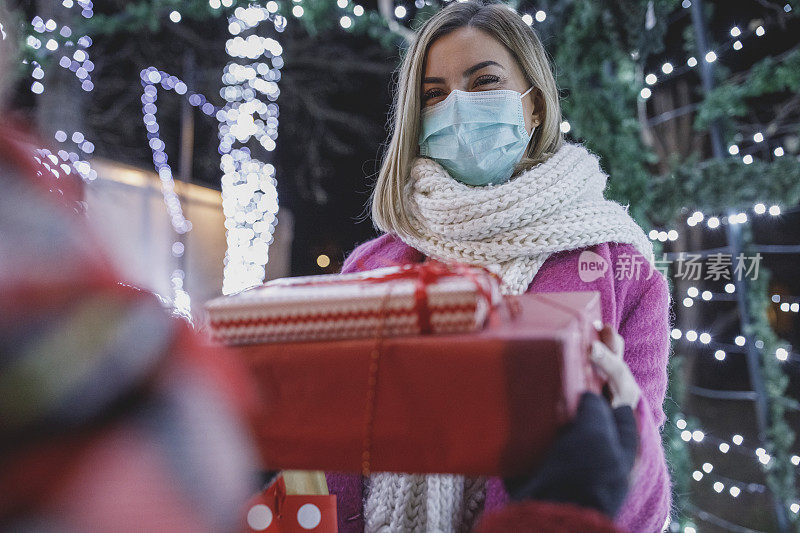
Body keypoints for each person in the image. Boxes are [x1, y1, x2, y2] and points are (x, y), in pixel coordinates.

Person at [325, 1, 672, 532]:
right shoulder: (372, 267)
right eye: (434, 94)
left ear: (534, 105)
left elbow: (644, 505)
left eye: (484, 83)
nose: (457, 109)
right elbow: (334, 458)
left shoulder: (621, 268)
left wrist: (618, 450)